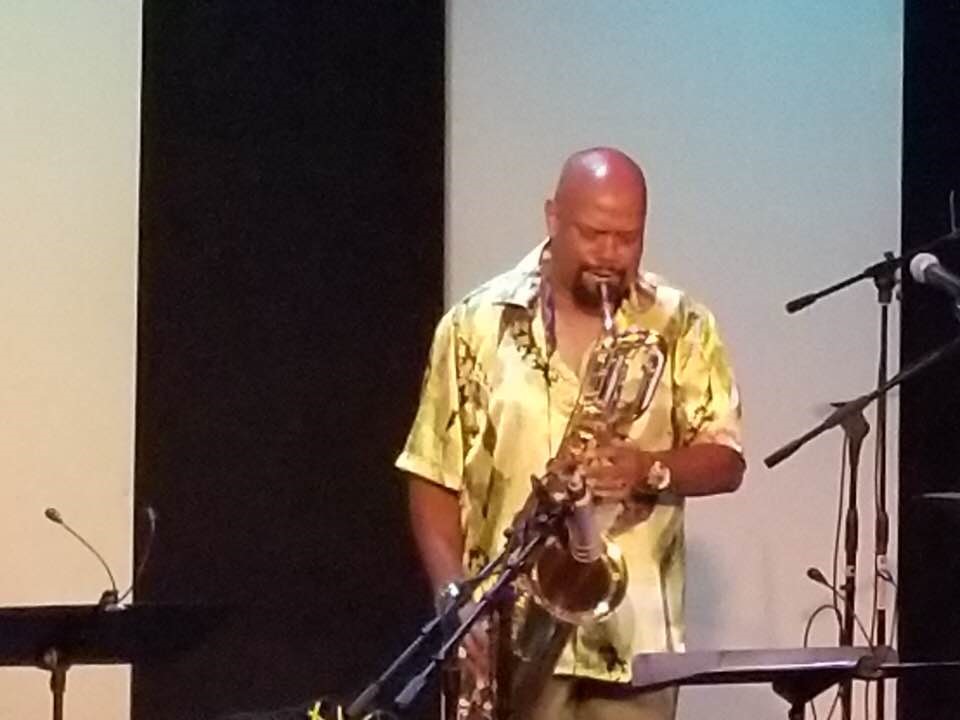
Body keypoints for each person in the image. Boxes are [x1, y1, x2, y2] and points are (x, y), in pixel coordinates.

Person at [396, 147, 745, 720]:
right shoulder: (474, 324)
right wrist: (453, 595)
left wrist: (649, 468)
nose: (610, 255)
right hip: (507, 637)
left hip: (633, 642)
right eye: (593, 234)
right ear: (553, 217)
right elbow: (432, 471)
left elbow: (725, 459)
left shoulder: (682, 324)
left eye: (627, 238)